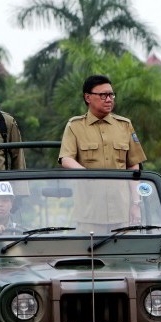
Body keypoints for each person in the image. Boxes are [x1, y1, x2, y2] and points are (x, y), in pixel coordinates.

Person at [59, 75, 148, 231]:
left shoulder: (124, 125)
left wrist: (136, 204)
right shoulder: (75, 125)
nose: (109, 99)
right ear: (88, 97)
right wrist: (88, 176)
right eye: (103, 95)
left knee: (124, 254)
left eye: (111, 95)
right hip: (89, 212)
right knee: (90, 255)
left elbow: (134, 166)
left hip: (122, 211)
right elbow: (66, 158)